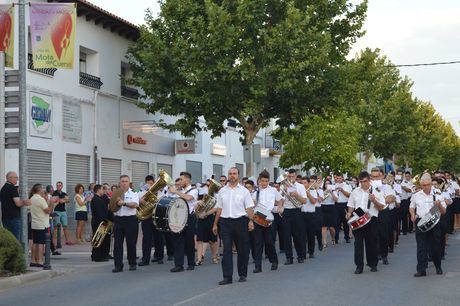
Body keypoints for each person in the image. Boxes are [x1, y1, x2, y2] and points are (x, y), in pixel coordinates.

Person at [213, 167, 254, 285]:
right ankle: (227, 277)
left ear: (238, 175)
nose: (232, 176)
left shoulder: (244, 191)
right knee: (226, 250)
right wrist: (215, 224)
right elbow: (219, 209)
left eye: (234, 174)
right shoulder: (222, 191)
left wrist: (251, 221)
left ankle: (242, 274)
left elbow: (249, 208)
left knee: (242, 250)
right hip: (225, 222)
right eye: (230, 174)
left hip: (241, 222)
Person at [346, 171, 385, 274]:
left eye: (365, 181)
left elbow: (381, 208)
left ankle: (373, 264)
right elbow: (351, 205)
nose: (363, 183)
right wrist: (349, 214)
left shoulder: (377, 191)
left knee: (371, 243)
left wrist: (374, 201)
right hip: (358, 218)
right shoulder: (355, 191)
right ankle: (359, 266)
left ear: (369, 180)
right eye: (361, 182)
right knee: (358, 243)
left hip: (371, 219)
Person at [410, 173, 446, 277]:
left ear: (431, 184)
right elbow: (411, 206)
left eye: (428, 184)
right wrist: (412, 215)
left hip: (434, 221)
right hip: (420, 221)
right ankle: (421, 269)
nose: (426, 187)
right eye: (424, 185)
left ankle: (438, 266)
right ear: (421, 185)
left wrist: (439, 205)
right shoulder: (416, 195)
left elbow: (443, 212)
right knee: (421, 247)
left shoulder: (438, 194)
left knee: (435, 247)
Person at [252, 170, 282, 273]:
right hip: (258, 218)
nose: (264, 183)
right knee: (258, 243)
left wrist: (280, 207)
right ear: (259, 181)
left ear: (268, 181)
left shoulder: (273, 190)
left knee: (269, 242)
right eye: (262, 181)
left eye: (266, 181)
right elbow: (252, 205)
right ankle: (258, 266)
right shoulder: (256, 192)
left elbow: (280, 199)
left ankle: (274, 261)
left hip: (269, 218)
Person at [168, 172, 198, 272]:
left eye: (181, 179)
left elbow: (188, 198)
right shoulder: (179, 190)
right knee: (177, 241)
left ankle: (191, 263)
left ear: (187, 179)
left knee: (189, 241)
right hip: (179, 217)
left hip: (190, 217)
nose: (180, 181)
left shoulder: (194, 190)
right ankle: (178, 265)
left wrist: (176, 192)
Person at [112, 175, 139, 273]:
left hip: (130, 220)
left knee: (131, 243)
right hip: (118, 220)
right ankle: (118, 265)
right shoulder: (115, 193)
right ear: (119, 183)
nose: (124, 183)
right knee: (117, 244)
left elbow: (135, 204)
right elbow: (111, 207)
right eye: (122, 181)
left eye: (126, 181)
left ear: (129, 182)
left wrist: (124, 203)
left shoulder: (133, 193)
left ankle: (132, 263)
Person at [280, 169, 307, 265]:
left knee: (297, 235)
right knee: (286, 235)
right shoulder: (283, 186)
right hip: (287, 211)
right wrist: (281, 203)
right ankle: (289, 257)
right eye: (289, 177)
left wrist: (296, 195)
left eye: (292, 177)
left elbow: (304, 201)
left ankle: (300, 255)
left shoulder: (300, 187)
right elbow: (281, 199)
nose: (291, 178)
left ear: (296, 177)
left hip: (297, 211)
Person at [0, 171, 31, 240]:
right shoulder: (12, 188)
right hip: (13, 218)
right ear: (10, 178)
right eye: (16, 177)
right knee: (16, 240)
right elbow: (18, 203)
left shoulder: (3, 188)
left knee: (8, 240)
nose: (17, 179)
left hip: (5, 217)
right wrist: (26, 202)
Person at [29, 184, 53, 267]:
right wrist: (51, 203)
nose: (43, 190)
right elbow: (48, 211)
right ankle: (39, 261)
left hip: (34, 223)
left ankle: (33, 260)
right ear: (39, 190)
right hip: (42, 224)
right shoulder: (40, 199)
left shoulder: (31, 198)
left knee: (35, 242)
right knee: (41, 243)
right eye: (42, 188)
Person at [91, 184, 112, 262]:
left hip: (100, 221)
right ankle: (97, 257)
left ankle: (96, 255)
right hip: (99, 222)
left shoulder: (98, 199)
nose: (103, 191)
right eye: (102, 189)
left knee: (100, 239)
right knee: (98, 239)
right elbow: (100, 213)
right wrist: (105, 220)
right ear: (98, 190)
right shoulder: (96, 199)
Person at [373, 169, 390, 265]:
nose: (376, 178)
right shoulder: (370, 187)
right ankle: (375, 254)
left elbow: (390, 198)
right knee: (373, 234)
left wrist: (383, 198)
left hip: (383, 211)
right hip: (373, 211)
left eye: (378, 176)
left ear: (382, 177)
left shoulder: (386, 187)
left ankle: (384, 255)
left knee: (383, 234)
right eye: (374, 177)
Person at [138, 175, 155, 267]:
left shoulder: (158, 191)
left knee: (158, 237)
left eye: (152, 183)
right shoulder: (142, 191)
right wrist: (140, 200)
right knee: (147, 238)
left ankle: (159, 256)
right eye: (148, 183)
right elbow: (137, 200)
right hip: (146, 217)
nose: (150, 185)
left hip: (155, 216)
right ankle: (145, 259)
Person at [301, 176, 319, 258]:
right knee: (302, 235)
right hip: (302, 214)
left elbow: (314, 201)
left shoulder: (313, 191)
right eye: (302, 183)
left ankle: (311, 252)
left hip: (311, 215)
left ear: (308, 183)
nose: (303, 184)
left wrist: (308, 194)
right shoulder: (300, 191)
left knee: (311, 234)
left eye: (305, 183)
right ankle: (303, 253)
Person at [52, 181, 74, 245]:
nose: (59, 187)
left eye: (60, 185)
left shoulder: (64, 193)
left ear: (62, 186)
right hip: (57, 211)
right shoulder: (54, 193)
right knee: (56, 227)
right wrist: (62, 200)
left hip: (63, 211)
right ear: (56, 186)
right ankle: (53, 242)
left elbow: (68, 200)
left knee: (65, 226)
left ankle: (67, 240)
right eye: (58, 185)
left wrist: (63, 200)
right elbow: (55, 200)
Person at [333, 173, 352, 244]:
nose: (338, 180)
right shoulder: (334, 186)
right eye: (337, 178)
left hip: (345, 204)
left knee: (345, 222)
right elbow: (334, 197)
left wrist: (342, 190)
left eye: (340, 178)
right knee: (336, 222)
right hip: (336, 204)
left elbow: (349, 195)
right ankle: (336, 238)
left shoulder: (347, 186)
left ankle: (347, 237)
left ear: (342, 178)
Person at [321, 179, 337, 248]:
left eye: (328, 183)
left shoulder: (334, 191)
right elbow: (320, 200)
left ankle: (333, 238)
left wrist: (331, 193)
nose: (327, 185)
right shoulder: (322, 191)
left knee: (331, 227)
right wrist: (325, 192)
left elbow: (336, 200)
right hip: (323, 208)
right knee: (323, 226)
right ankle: (324, 242)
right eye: (326, 183)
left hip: (331, 208)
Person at [272, 182, 285, 253]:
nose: (275, 188)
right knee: (272, 233)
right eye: (274, 187)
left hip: (281, 214)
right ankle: (271, 249)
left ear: (279, 187)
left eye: (277, 186)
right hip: (273, 214)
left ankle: (282, 248)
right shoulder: (271, 193)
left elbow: (282, 202)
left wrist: (275, 202)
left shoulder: (282, 193)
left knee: (282, 232)